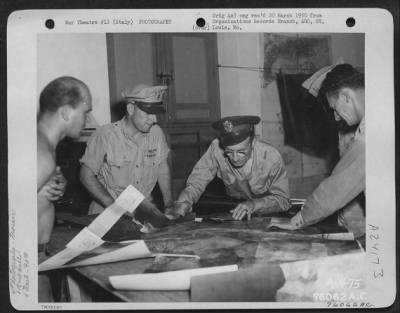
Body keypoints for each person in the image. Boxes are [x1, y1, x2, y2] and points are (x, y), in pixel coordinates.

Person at [270, 64, 366, 238]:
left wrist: (299, 219)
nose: (336, 117)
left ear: (345, 96)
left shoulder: (369, 132)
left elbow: (338, 186)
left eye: (334, 108)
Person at [165, 115, 291, 221]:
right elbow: (198, 180)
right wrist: (184, 203)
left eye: (241, 152)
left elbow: (283, 201)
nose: (235, 158)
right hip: (233, 210)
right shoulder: (216, 148)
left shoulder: (271, 157)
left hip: (267, 214)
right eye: (229, 152)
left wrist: (254, 205)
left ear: (253, 142)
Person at [80, 84, 173, 224]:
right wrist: (114, 209)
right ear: (130, 109)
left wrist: (168, 205)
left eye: (156, 113)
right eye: (148, 113)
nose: (154, 120)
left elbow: (162, 169)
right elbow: (86, 176)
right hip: (106, 214)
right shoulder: (105, 136)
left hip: (144, 213)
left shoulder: (156, 133)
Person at [37, 76, 93, 301]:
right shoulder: (40, 154)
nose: (88, 120)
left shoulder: (42, 148)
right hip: (23, 262)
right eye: (85, 111)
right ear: (66, 113)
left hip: (37, 255)